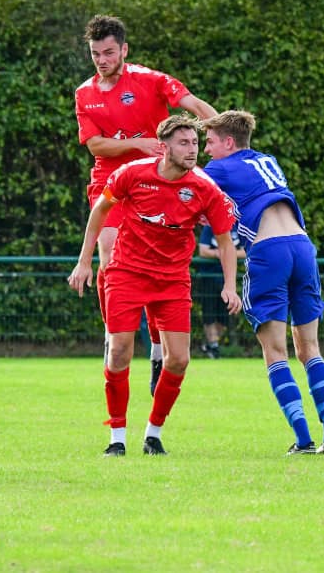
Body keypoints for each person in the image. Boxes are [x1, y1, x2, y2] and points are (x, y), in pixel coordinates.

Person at [68, 115, 241, 457]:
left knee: (179, 360)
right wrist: (84, 261)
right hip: (127, 273)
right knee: (119, 351)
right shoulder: (132, 173)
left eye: (195, 143)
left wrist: (230, 286)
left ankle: (153, 435)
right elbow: (100, 211)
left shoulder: (204, 187)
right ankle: (117, 438)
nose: (192, 150)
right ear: (164, 147)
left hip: (172, 280)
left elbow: (224, 240)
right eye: (184, 143)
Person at [75, 14, 218, 396]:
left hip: (157, 182)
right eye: (95, 54)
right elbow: (96, 145)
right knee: (109, 254)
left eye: (109, 52)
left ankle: (157, 351)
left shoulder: (150, 80)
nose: (102, 60)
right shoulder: (84, 93)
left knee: (158, 265)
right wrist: (137, 144)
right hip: (111, 180)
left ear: (124, 49)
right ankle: (113, 334)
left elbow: (191, 103)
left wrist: (224, 134)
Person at [201, 110, 324, 455]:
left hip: (269, 250)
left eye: (209, 142)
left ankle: (304, 440)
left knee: (275, 351)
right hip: (302, 247)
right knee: (310, 349)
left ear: (229, 142)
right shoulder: (267, 160)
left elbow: (183, 184)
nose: (204, 150)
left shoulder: (219, 168)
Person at [196, 222, 245, 359]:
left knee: (224, 317)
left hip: (227, 279)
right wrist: (220, 253)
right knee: (209, 313)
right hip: (209, 277)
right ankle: (214, 346)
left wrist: (227, 252)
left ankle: (210, 343)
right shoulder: (210, 227)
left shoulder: (239, 227)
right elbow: (203, 251)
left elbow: (245, 251)